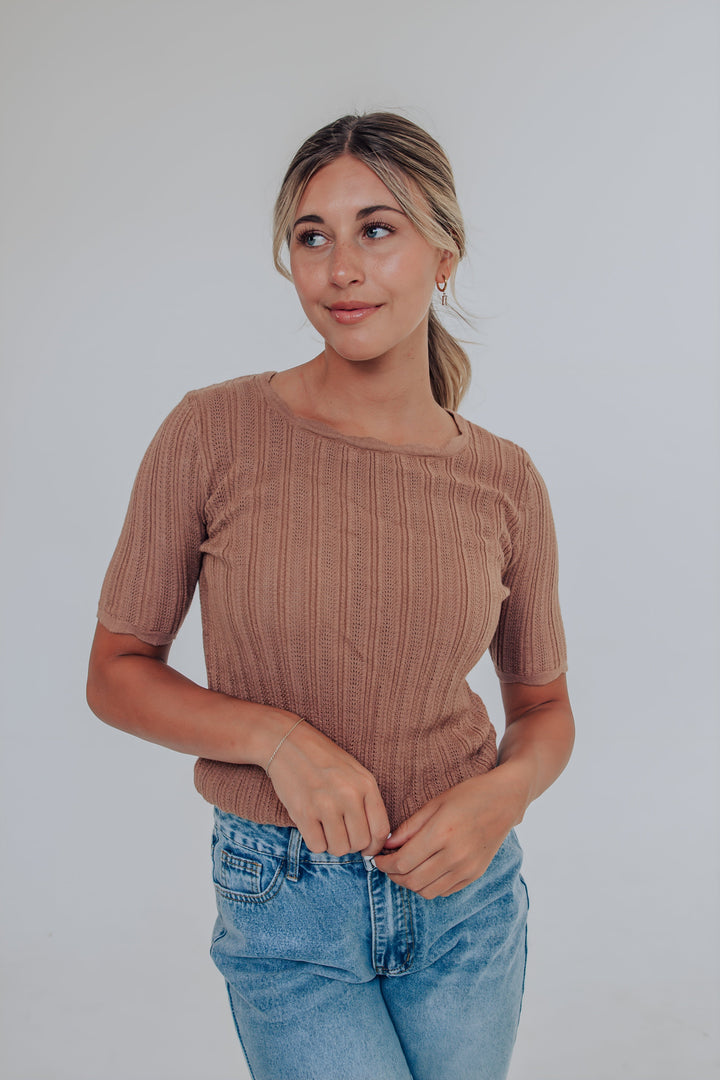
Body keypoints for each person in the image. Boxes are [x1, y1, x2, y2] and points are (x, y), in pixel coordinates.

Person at [87, 111, 575, 1080]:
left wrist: (503, 796)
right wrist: (278, 742)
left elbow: (545, 708)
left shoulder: (506, 480)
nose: (341, 268)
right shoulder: (212, 432)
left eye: (376, 230)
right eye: (313, 237)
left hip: (466, 900)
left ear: (444, 256)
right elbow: (116, 673)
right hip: (285, 897)